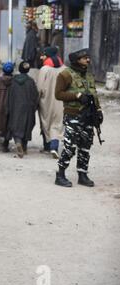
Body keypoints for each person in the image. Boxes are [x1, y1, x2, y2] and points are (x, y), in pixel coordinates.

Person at [54, 48, 102, 188]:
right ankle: (60, 174)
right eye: (84, 58)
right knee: (69, 146)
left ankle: (82, 174)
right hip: (73, 115)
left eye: (88, 57)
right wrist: (77, 96)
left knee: (85, 147)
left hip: (88, 116)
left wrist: (98, 110)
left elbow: (94, 94)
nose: (88, 60)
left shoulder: (89, 75)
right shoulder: (65, 75)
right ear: (76, 60)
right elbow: (58, 94)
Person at [6, 61, 39, 158]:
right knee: (27, 125)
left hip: (15, 107)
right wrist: (34, 106)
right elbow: (35, 95)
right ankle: (24, 147)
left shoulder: (13, 81)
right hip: (28, 107)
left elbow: (9, 95)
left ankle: (18, 142)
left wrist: (9, 106)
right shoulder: (31, 81)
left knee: (16, 125)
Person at [37, 46, 65, 159]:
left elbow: (39, 88)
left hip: (46, 101)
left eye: (43, 55)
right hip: (61, 101)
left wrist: (37, 100)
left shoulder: (44, 69)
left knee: (46, 124)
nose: (41, 57)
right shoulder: (64, 69)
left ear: (47, 56)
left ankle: (48, 146)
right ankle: (54, 146)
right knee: (58, 124)